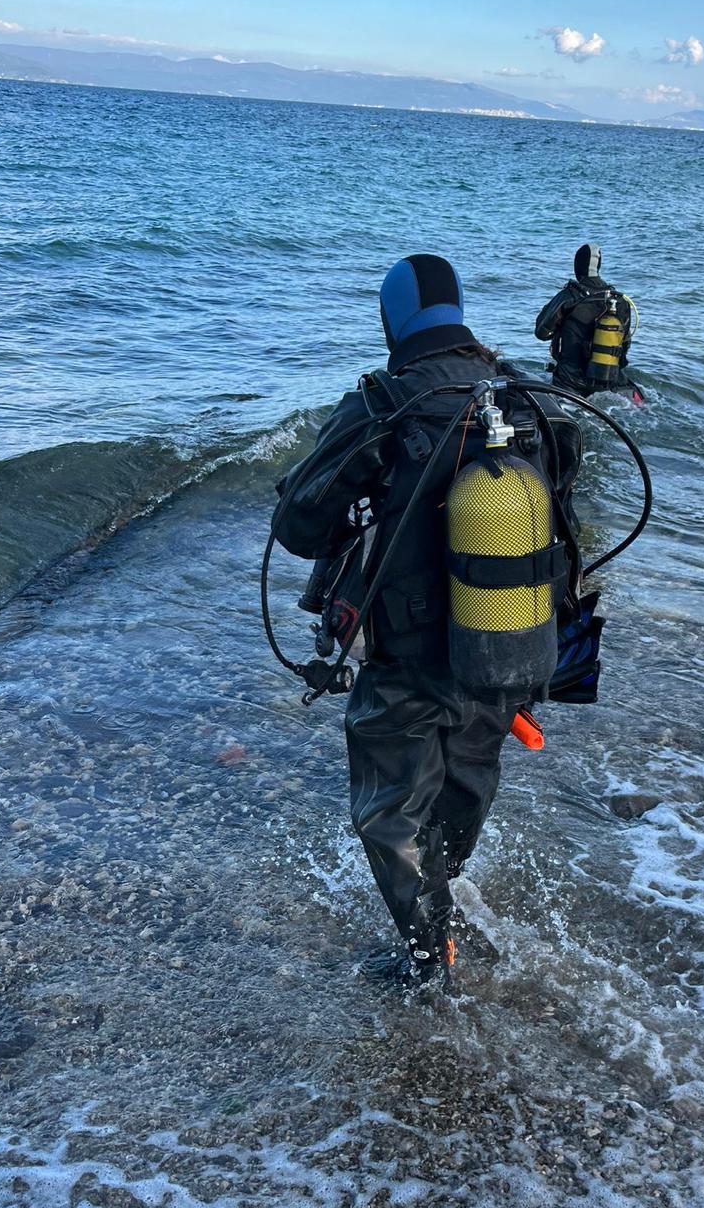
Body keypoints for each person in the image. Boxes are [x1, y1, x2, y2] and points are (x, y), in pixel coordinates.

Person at [273, 255, 583, 989]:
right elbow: (566, 520)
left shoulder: (383, 404)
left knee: (390, 809)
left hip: (407, 652)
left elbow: (298, 525)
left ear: (394, 320)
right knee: (467, 778)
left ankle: (426, 960)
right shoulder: (523, 397)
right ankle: (441, 895)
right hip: (507, 635)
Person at [534, 242, 642, 401]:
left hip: (570, 382)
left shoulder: (569, 296)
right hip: (609, 379)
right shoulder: (620, 301)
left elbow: (541, 333)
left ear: (577, 266)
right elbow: (624, 345)